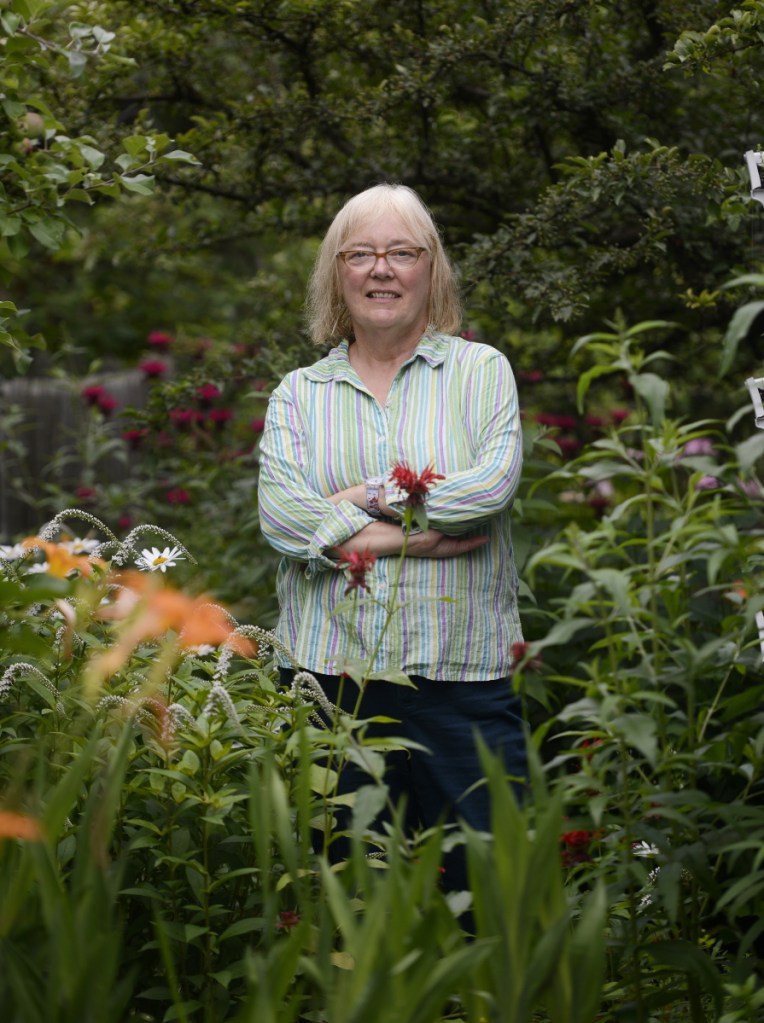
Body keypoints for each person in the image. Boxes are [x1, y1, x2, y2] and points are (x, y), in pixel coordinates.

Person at [257, 182, 526, 896]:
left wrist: (353, 509)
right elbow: (283, 517)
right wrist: (408, 534)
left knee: (493, 901)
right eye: (362, 254)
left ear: (430, 269)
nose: (382, 269)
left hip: (462, 687)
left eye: (401, 252)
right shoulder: (297, 395)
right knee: (339, 911)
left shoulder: (481, 373)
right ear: (336, 275)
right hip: (329, 689)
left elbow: (485, 493)